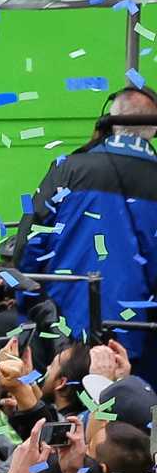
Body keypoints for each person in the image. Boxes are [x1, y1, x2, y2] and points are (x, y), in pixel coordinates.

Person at [17, 84, 157, 381]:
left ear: (110, 120)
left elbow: (28, 248)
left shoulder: (68, 167)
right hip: (137, 347)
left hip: (63, 342)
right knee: (130, 424)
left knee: (60, 425)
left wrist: (34, 308)